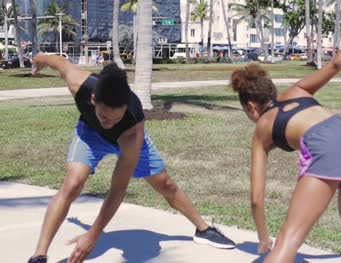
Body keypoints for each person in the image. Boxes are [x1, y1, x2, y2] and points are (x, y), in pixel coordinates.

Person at [229, 12, 341, 263]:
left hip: (327, 144)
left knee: (289, 238)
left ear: (250, 107)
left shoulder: (261, 130)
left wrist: (263, 237)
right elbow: (336, 64)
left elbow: (257, 199)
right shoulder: (298, 90)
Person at [28, 54, 235, 263]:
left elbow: (118, 189)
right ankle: (39, 255)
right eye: (104, 116)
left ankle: (204, 229)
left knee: (165, 184)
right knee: (72, 185)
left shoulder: (133, 129)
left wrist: (93, 234)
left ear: (125, 107)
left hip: (125, 141)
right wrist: (37, 62)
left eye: (116, 118)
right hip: (90, 134)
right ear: (93, 100)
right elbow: (53, 60)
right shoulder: (78, 82)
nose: (109, 123)